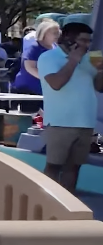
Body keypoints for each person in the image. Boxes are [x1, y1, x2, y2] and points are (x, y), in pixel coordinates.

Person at [39, 22, 102, 193]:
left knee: (74, 167)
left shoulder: (90, 59)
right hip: (60, 121)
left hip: (85, 122)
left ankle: (68, 207)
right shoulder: (48, 57)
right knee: (54, 166)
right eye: (83, 40)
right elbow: (56, 83)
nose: (87, 45)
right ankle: (45, 203)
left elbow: (99, 87)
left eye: (89, 41)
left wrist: (101, 71)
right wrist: (73, 60)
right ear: (68, 39)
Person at [14, 20, 61, 95]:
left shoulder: (56, 47)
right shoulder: (35, 47)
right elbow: (30, 67)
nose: (57, 35)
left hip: (46, 87)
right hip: (29, 87)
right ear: (44, 33)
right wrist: (47, 79)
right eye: (54, 33)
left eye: (58, 32)